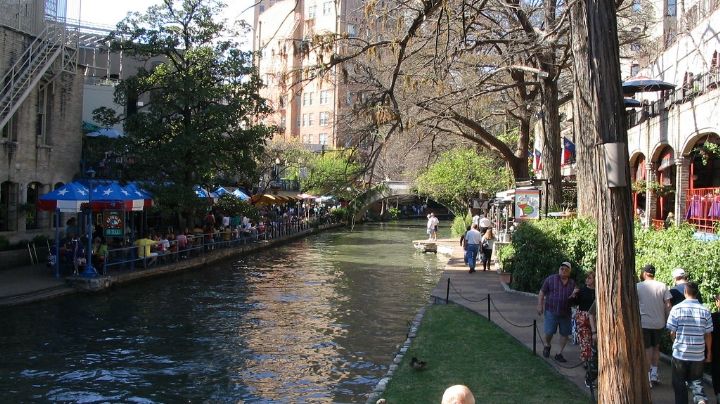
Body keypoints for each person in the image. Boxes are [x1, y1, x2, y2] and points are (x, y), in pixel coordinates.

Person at [666, 281, 713, 404]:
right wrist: (708, 353)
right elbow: (708, 334)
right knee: (697, 383)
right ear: (697, 293)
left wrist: (674, 342)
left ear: (685, 292)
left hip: (680, 354)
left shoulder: (676, 309)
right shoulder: (705, 310)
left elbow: (672, 331)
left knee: (679, 384)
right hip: (698, 354)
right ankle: (701, 401)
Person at [636, 264, 672, 386]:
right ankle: (654, 374)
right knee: (656, 347)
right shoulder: (663, 286)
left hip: (644, 322)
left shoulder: (638, 287)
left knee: (647, 349)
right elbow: (668, 305)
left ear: (645, 273)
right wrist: (669, 321)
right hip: (659, 322)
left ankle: (647, 377)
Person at [536, 261, 578, 362]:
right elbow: (542, 292)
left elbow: (576, 295)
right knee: (549, 331)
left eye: (566, 269)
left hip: (566, 312)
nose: (563, 271)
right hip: (551, 310)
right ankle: (547, 344)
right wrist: (540, 305)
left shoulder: (572, 283)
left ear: (569, 272)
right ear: (559, 269)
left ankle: (559, 353)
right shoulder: (551, 279)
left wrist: (575, 294)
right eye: (562, 268)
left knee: (565, 333)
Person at [570, 270, 596, 364]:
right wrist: (574, 294)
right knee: (585, 340)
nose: (587, 280)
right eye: (586, 278)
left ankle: (594, 359)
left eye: (589, 278)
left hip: (595, 317)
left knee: (594, 339)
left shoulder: (598, 291)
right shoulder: (582, 290)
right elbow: (575, 302)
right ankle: (586, 360)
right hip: (583, 317)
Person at [711, 294, 720, 403]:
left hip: (716, 350)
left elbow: (708, 334)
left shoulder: (713, 317)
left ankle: (718, 393)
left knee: (716, 372)